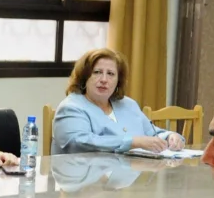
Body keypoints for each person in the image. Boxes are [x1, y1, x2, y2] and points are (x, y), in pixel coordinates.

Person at [52, 48, 185, 155]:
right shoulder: (71, 107)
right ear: (84, 77)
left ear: (118, 81)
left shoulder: (128, 104)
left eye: (111, 74)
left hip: (125, 176)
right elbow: (79, 143)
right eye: (97, 72)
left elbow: (151, 133)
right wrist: (132, 142)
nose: (104, 80)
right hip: (84, 177)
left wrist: (170, 137)